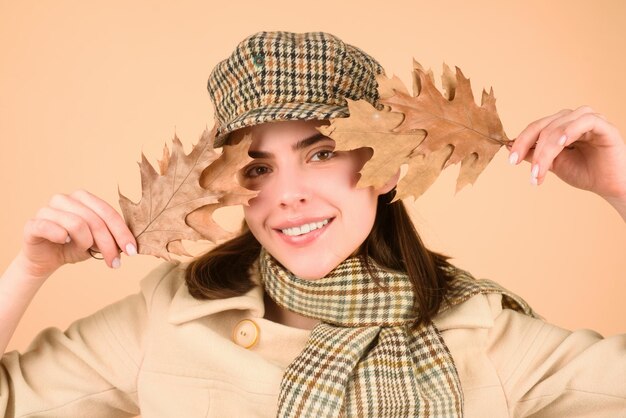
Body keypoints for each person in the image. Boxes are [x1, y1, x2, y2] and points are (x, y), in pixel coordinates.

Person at [1, 31, 625, 418]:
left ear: (384, 168)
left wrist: (618, 186)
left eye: (321, 153)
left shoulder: (484, 336)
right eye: (257, 169)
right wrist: (28, 271)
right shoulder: (169, 320)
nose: (288, 196)